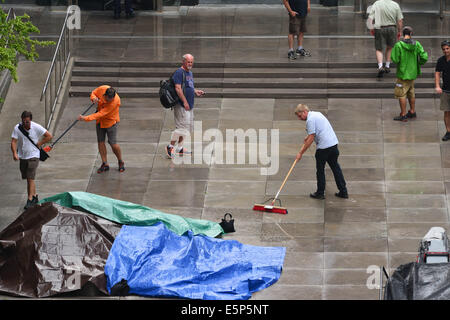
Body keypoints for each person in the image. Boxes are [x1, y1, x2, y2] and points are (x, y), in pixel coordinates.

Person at [294, 104, 348, 199]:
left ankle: (320, 192)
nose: (299, 118)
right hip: (333, 144)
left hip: (324, 148)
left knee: (320, 171)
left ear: (304, 112)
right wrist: (308, 136)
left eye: (300, 116)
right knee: (336, 168)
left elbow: (311, 138)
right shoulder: (317, 114)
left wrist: (300, 153)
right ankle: (343, 191)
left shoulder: (310, 120)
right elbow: (319, 129)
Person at [78, 85, 125, 173]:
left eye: (109, 100)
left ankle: (120, 161)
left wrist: (85, 118)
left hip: (110, 122)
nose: (107, 101)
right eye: (107, 99)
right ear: (105, 95)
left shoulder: (115, 102)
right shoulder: (103, 88)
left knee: (113, 143)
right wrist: (94, 98)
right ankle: (105, 163)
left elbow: (100, 114)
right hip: (100, 121)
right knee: (100, 141)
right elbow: (94, 92)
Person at [11, 111, 52, 210]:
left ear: (31, 120)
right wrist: (15, 153)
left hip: (34, 155)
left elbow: (49, 136)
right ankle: (35, 196)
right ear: (21, 120)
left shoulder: (36, 127)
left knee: (30, 177)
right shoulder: (17, 128)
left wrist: (40, 143)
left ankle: (29, 199)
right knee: (28, 178)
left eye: (28, 122)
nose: (26, 124)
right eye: (24, 122)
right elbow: (13, 141)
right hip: (23, 156)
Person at [166, 54, 205, 159]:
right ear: (183, 62)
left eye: (192, 62)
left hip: (189, 105)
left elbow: (188, 87)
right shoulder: (179, 72)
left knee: (187, 128)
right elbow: (178, 88)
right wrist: (185, 102)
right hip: (182, 105)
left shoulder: (189, 73)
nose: (190, 64)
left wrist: (196, 91)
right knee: (181, 128)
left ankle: (180, 148)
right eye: (188, 62)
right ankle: (170, 147)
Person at [390, 26, 428, 122]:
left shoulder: (398, 45)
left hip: (402, 75)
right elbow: (424, 57)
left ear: (403, 34)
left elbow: (395, 59)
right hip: (412, 74)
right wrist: (418, 64)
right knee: (411, 93)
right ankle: (412, 111)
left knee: (401, 94)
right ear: (411, 34)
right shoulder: (417, 44)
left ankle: (403, 114)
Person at [368, 0, 403, 78]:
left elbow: (370, 18)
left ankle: (380, 67)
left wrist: (371, 28)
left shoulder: (376, 4)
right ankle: (387, 66)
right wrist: (400, 31)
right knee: (390, 47)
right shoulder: (395, 5)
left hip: (379, 28)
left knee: (379, 48)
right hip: (392, 28)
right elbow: (400, 20)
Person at [435, 40, 450, 141]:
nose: (446, 51)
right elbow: (437, 73)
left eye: (447, 48)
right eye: (444, 49)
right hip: (446, 90)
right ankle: (448, 131)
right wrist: (437, 85)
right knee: (446, 112)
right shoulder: (441, 60)